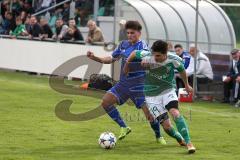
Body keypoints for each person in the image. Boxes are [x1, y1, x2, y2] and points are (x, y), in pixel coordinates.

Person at [87, 20, 164, 142]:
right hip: (123, 84)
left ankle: (158, 136)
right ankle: (124, 127)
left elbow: (150, 61)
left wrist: (147, 63)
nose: (129, 35)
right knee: (105, 102)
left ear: (139, 33)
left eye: (132, 33)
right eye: (127, 33)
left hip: (139, 86)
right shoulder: (123, 44)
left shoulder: (142, 46)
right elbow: (111, 58)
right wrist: (95, 57)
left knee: (149, 115)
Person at [124, 40, 196, 154]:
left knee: (175, 113)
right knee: (167, 127)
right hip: (151, 96)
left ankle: (189, 143)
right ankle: (179, 138)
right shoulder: (147, 56)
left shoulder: (174, 59)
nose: (155, 57)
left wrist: (187, 85)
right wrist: (127, 65)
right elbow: (134, 53)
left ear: (165, 53)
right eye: (154, 54)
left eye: (158, 55)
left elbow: (182, 71)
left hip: (168, 91)